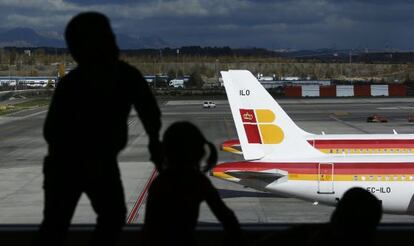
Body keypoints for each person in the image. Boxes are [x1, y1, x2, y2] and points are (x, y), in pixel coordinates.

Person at [33, 12, 162, 246]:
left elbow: (50, 130)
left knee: (55, 225)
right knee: (111, 217)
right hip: (96, 163)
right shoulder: (126, 75)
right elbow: (150, 113)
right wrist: (154, 142)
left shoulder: (72, 83)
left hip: (66, 164)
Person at [142, 121, 242, 246]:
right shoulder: (197, 181)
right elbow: (228, 218)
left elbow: (150, 228)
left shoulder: (160, 183)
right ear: (199, 153)